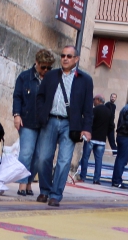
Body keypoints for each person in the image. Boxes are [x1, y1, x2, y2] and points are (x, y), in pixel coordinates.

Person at [34, 44, 93, 207]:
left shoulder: (85, 80)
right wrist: (41, 113)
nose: (65, 59)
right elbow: (40, 96)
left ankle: (55, 194)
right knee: (43, 158)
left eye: (69, 56)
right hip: (50, 120)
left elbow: (88, 107)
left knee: (64, 161)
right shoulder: (51, 76)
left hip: (70, 124)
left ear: (76, 59)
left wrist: (87, 128)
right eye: (63, 56)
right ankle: (44, 189)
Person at [12, 49, 55, 196]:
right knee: (26, 153)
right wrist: (16, 115)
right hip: (28, 120)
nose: (46, 70)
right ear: (36, 63)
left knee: (38, 157)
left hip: (45, 123)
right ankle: (22, 184)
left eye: (49, 68)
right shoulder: (25, 77)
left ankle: (29, 182)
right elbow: (17, 96)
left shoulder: (52, 79)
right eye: (43, 67)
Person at [82, 95, 111, 185]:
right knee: (99, 160)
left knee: (85, 157)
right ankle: (96, 179)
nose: (93, 101)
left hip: (91, 138)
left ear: (98, 100)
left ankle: (83, 176)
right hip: (102, 139)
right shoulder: (109, 111)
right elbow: (111, 126)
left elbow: (89, 122)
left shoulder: (94, 110)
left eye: (94, 99)